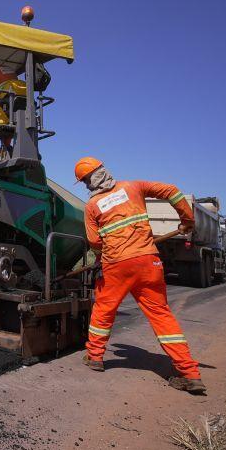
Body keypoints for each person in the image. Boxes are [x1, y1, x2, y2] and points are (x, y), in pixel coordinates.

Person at [75, 156, 205, 393]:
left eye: (85, 182)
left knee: (104, 310)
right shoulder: (133, 187)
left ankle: (94, 357)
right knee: (161, 315)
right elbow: (172, 191)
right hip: (148, 262)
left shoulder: (92, 206)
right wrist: (187, 220)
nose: (86, 186)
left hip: (116, 265)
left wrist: (102, 256)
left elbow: (94, 241)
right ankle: (189, 372)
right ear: (104, 170)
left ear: (89, 181)